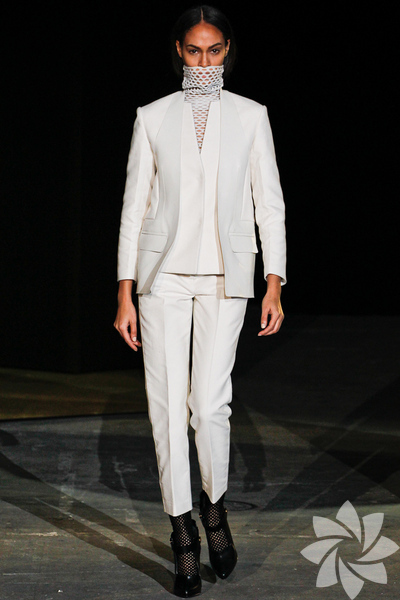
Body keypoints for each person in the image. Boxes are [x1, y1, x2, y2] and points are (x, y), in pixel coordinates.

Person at [114, 5, 286, 597]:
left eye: (214, 50)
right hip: (161, 277)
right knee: (166, 407)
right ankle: (182, 531)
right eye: (194, 50)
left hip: (226, 276)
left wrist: (274, 281)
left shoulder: (251, 116)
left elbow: (269, 202)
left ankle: (215, 508)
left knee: (209, 405)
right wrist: (124, 291)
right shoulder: (153, 116)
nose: (204, 60)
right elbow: (134, 207)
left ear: (227, 51)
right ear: (179, 52)